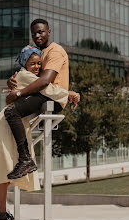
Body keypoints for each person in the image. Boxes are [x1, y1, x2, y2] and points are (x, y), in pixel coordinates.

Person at [0, 45, 73, 220]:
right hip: (4, 128)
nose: (38, 67)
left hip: (7, 127)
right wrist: (70, 94)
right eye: (33, 63)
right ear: (25, 63)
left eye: (39, 64)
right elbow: (49, 89)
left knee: (8, 172)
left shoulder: (25, 76)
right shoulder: (25, 76)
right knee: (5, 171)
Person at [5, 18, 80, 180]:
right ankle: (21, 158)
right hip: (45, 95)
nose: (37, 36)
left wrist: (19, 93)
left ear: (49, 32)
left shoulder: (55, 51)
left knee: (12, 112)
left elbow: (45, 81)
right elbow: (27, 75)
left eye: (40, 32)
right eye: (34, 34)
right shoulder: (37, 52)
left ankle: (25, 160)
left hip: (51, 99)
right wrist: (11, 81)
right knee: (10, 112)